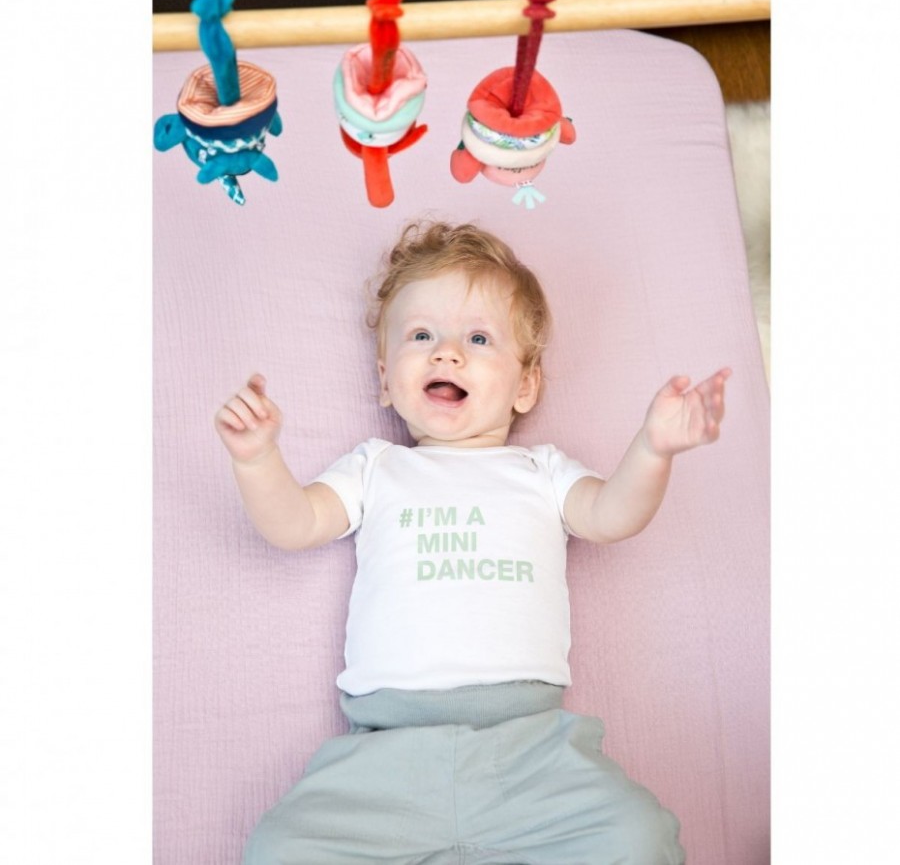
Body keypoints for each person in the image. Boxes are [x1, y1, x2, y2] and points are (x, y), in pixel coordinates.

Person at [215, 221, 730, 865]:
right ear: (385, 379)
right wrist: (258, 460)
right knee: (280, 849)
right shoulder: (375, 467)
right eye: (421, 335)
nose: (446, 354)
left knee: (637, 838)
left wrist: (653, 450)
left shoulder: (542, 470)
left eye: (478, 339)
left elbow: (610, 515)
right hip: (383, 760)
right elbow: (293, 523)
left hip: (531, 753)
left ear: (525, 386)